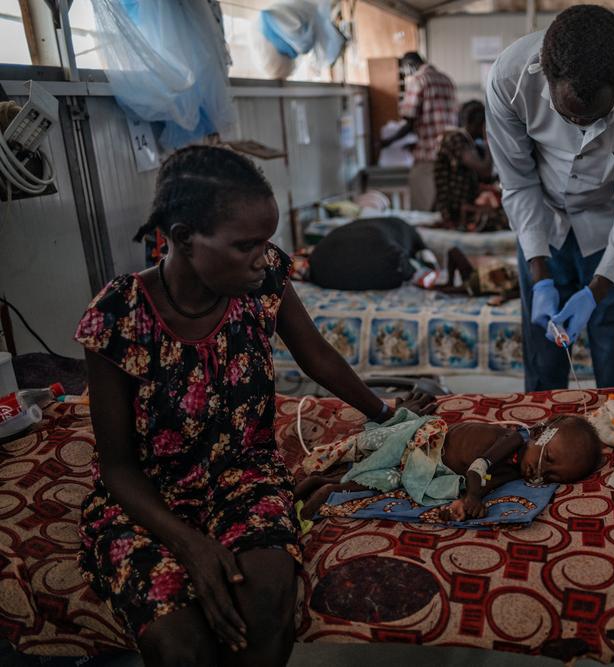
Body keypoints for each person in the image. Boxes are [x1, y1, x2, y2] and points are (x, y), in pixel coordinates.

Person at [75, 146, 433, 667]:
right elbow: (118, 468)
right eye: (246, 245)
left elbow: (317, 358)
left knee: (262, 608)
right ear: (181, 238)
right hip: (146, 498)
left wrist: (386, 412)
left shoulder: (261, 283)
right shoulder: (117, 316)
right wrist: (193, 547)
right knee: (182, 647)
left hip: (245, 476)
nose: (263, 258)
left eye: (266, 243)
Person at [486, 4, 614, 391]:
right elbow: (518, 183)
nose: (584, 129)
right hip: (545, 222)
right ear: (547, 75)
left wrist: (598, 289)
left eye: (597, 118)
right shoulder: (509, 79)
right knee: (544, 364)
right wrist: (540, 276)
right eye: (571, 116)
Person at [294, 415, 604, 521]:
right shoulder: (511, 440)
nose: (537, 473)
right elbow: (477, 470)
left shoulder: (514, 470)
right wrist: (473, 497)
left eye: (549, 476)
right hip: (421, 440)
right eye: (545, 460)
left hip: (423, 464)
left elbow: (485, 481)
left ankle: (323, 489)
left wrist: (462, 503)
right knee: (361, 455)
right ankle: (305, 499)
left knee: (376, 480)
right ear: (539, 433)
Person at [381, 52, 457, 212]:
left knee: (424, 209)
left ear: (409, 66)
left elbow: (409, 120)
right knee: (444, 207)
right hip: (451, 153)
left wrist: (388, 141)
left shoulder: (417, 81)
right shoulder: (447, 80)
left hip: (428, 155)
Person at [433, 100, 505, 230]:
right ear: (479, 124)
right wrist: (488, 138)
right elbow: (484, 170)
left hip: (462, 209)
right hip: (455, 213)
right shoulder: (455, 138)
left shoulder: (468, 142)